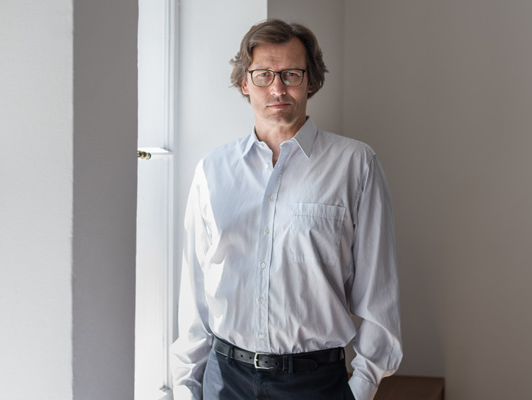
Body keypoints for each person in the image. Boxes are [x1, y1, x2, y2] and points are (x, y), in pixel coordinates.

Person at [170, 19, 402, 400]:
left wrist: (359, 388)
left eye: (291, 74)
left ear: (310, 81)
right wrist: (185, 388)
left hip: (315, 385)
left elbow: (380, 297)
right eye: (263, 75)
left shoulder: (356, 165)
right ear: (245, 83)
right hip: (224, 381)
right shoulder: (211, 171)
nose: (277, 88)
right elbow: (195, 297)